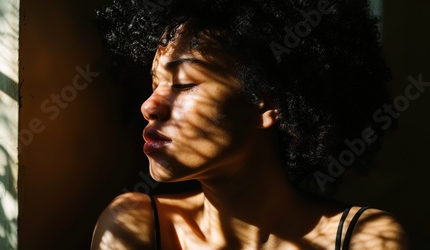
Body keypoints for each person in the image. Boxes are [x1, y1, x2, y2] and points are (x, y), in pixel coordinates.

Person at [91, 0, 408, 249]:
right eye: (154, 85)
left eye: (184, 84)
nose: (149, 106)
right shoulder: (136, 228)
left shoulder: (363, 240)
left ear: (267, 103)